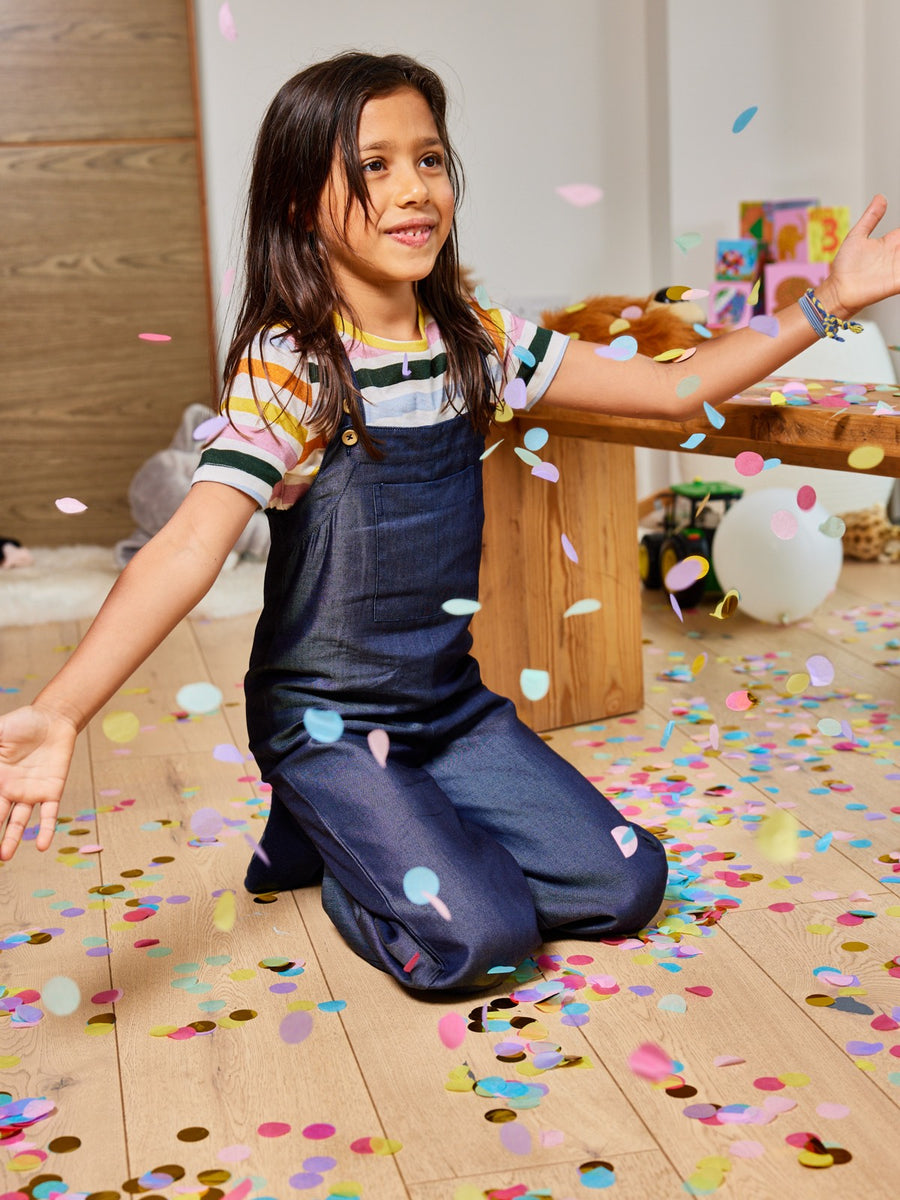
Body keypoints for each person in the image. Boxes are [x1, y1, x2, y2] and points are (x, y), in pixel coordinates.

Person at [1, 52, 898, 992]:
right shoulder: (293, 364)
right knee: (483, 937)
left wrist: (827, 302)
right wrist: (61, 712)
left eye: (428, 160)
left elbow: (672, 393)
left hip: (448, 708)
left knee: (627, 883)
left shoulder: (478, 339)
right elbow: (191, 543)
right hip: (330, 723)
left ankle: (371, 827)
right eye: (373, 166)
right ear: (303, 202)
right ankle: (345, 834)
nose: (412, 189)